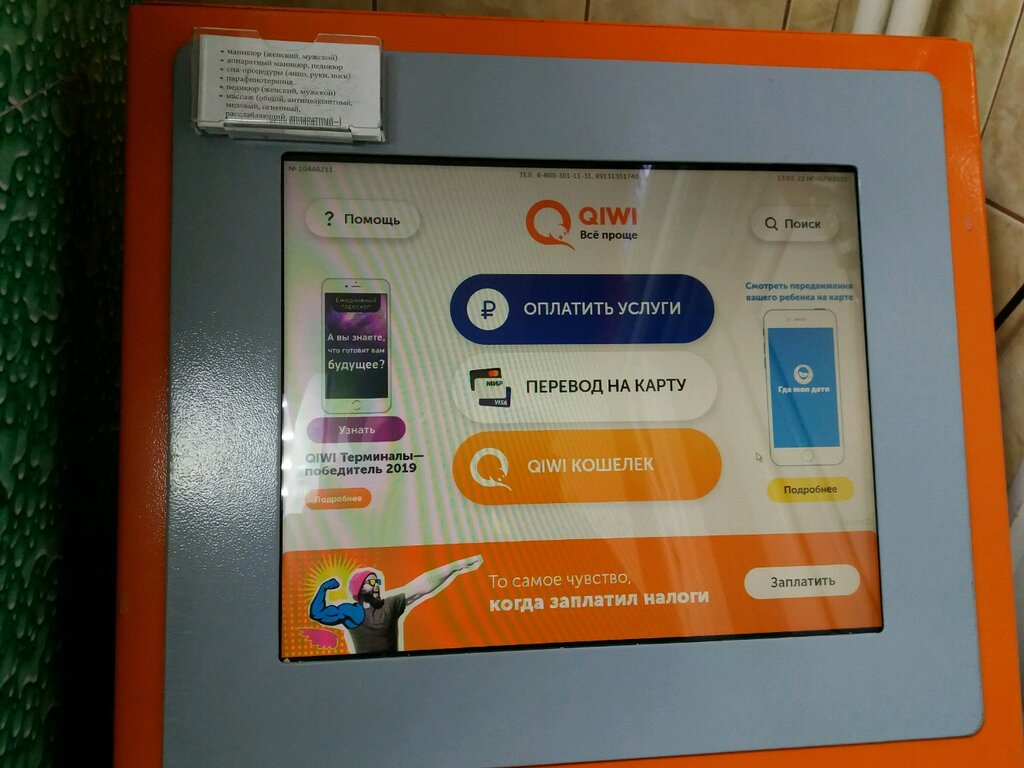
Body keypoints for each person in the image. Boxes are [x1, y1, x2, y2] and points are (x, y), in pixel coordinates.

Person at [309, 555, 483, 654]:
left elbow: (421, 587)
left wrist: (456, 566)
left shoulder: (389, 605)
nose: (377, 585)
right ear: (359, 589)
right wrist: (324, 588)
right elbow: (317, 613)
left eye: (377, 581)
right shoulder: (350, 612)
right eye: (371, 582)